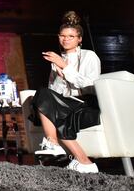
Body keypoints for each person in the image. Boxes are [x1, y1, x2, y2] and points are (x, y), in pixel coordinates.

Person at [30, 11, 102, 173]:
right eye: (62, 35)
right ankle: (83, 162)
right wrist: (60, 72)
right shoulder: (57, 60)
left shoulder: (89, 56)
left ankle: (56, 145)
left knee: (50, 103)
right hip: (66, 104)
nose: (65, 39)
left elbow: (91, 85)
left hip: (86, 104)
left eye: (71, 36)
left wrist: (64, 67)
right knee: (44, 94)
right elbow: (54, 91)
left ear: (79, 39)